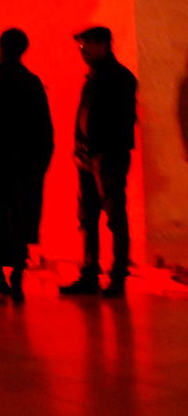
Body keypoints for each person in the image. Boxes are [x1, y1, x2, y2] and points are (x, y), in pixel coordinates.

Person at [0, 29, 54, 303]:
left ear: (1, 47)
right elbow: (44, 128)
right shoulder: (32, 82)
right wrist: (40, 164)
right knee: (21, 226)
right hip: (25, 165)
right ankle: (16, 280)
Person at [59, 26, 137, 298]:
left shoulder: (119, 77)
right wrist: (81, 149)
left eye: (85, 45)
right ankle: (90, 273)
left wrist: (96, 149)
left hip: (107, 156)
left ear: (102, 45)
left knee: (114, 216)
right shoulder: (96, 77)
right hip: (89, 157)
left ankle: (117, 276)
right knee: (87, 216)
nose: (82, 51)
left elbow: (121, 120)